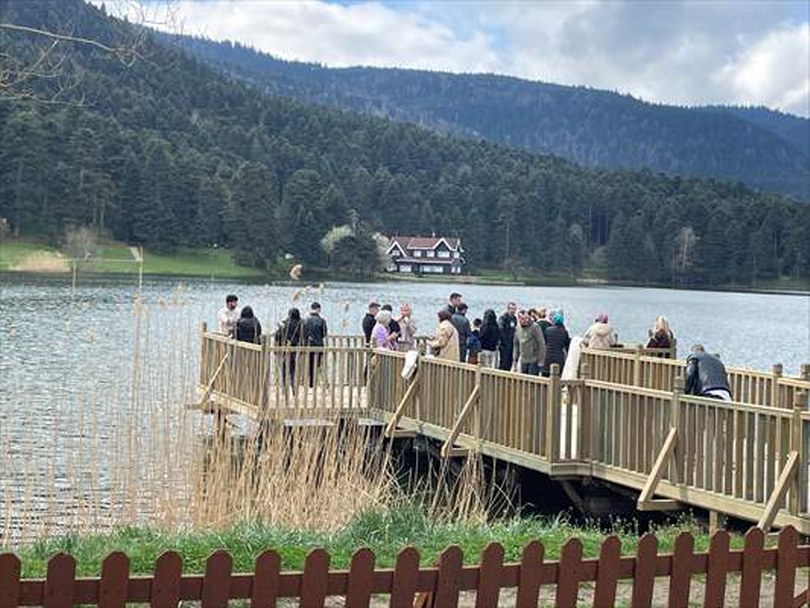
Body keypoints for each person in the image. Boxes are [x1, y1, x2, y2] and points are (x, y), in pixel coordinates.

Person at [275, 308, 303, 391]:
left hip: (285, 349)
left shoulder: (285, 324)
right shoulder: (300, 324)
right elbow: (303, 336)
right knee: (293, 368)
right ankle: (294, 387)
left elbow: (278, 336)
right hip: (296, 349)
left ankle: (284, 386)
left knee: (284, 368)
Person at [512, 310, 546, 375]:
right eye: (522, 319)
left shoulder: (535, 327)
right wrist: (515, 361)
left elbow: (541, 344)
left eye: (526, 318)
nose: (525, 320)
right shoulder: (518, 328)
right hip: (523, 360)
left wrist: (541, 361)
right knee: (524, 381)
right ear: (519, 319)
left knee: (532, 382)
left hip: (533, 360)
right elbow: (516, 345)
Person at [303, 301, 328, 387]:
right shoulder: (322, 321)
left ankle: (311, 383)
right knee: (318, 364)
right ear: (318, 309)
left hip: (309, 345)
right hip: (319, 345)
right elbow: (324, 334)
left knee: (310, 364)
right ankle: (319, 382)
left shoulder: (306, 320)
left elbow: (303, 334)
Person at [543, 309, 570, 375]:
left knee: (546, 374)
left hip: (548, 356)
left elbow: (545, 341)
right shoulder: (564, 332)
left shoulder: (548, 330)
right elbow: (567, 344)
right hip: (559, 356)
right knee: (557, 375)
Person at [498, 302, 518, 371]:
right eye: (512, 309)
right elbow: (500, 330)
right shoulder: (503, 318)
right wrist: (505, 341)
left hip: (512, 343)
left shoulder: (514, 318)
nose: (513, 311)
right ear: (508, 309)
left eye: (514, 309)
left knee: (510, 361)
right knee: (504, 361)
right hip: (504, 344)